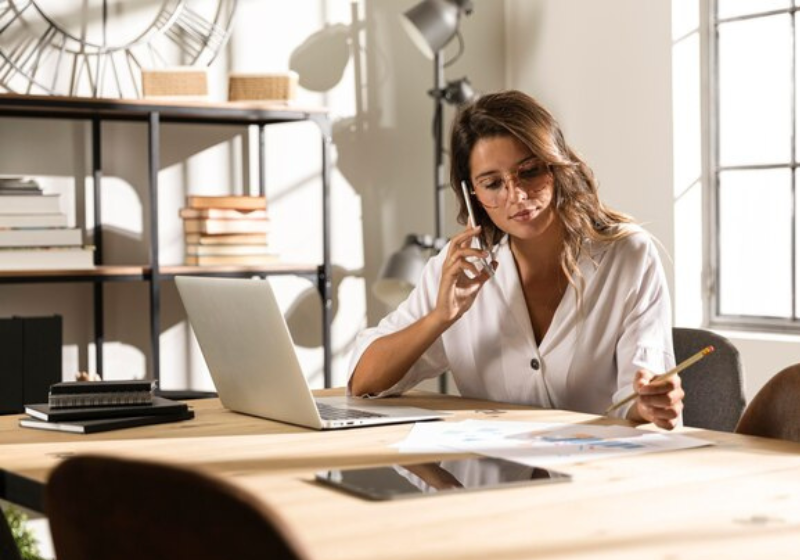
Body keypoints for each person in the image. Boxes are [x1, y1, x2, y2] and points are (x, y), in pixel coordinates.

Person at [348, 90, 683, 430]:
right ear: (473, 195)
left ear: (555, 165)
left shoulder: (627, 256)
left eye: (530, 171)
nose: (517, 195)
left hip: (597, 471)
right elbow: (363, 383)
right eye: (493, 183)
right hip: (490, 474)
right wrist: (441, 317)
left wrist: (650, 403)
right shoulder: (458, 268)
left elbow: (639, 397)